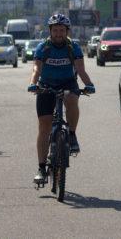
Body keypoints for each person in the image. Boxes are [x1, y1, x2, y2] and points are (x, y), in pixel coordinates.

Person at [28, 13, 95, 185]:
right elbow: (36, 68)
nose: (58, 33)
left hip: (67, 82)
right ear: (50, 31)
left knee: (72, 99)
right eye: (55, 30)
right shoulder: (44, 47)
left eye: (62, 30)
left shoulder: (73, 47)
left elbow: (80, 69)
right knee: (44, 126)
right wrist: (33, 83)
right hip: (46, 85)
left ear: (67, 31)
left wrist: (89, 84)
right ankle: (41, 168)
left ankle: (71, 135)